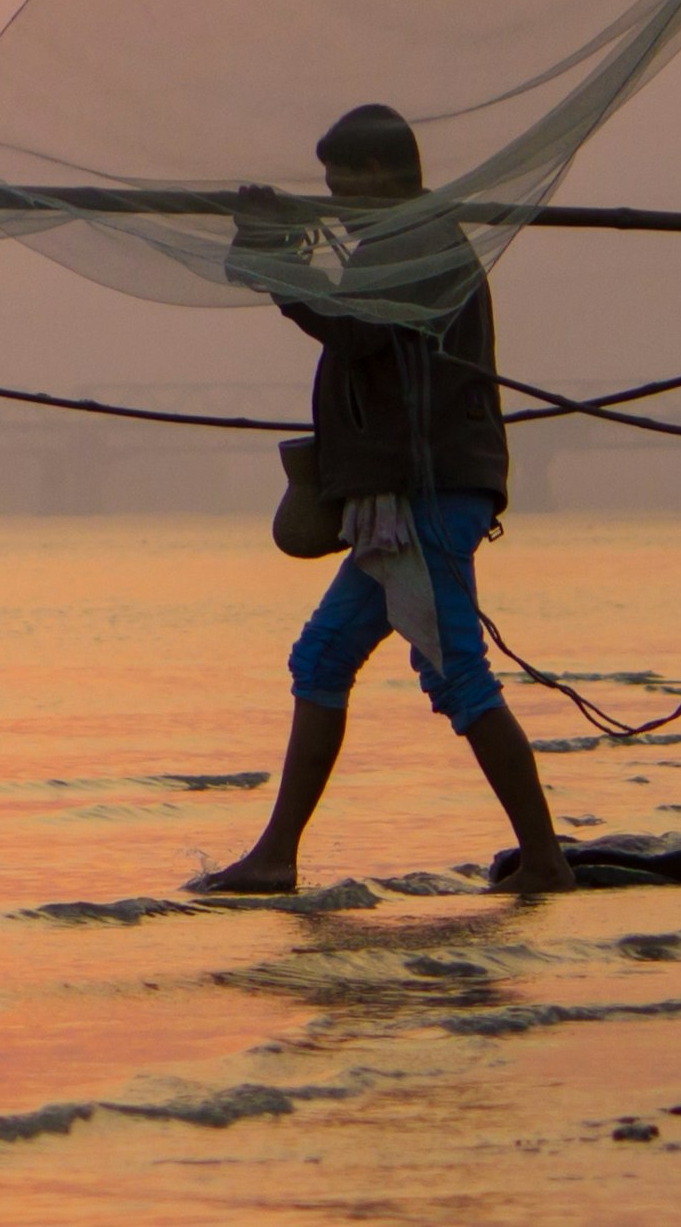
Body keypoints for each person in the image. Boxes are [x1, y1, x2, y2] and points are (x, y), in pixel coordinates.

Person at [189, 103, 575, 897]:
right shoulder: (397, 240)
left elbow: (351, 328)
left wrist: (272, 255)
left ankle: (546, 860)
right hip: (406, 496)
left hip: (427, 493)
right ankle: (276, 856)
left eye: (345, 183)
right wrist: (281, 245)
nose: (338, 197)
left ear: (383, 176)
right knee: (323, 659)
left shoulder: (417, 241)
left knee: (460, 678)